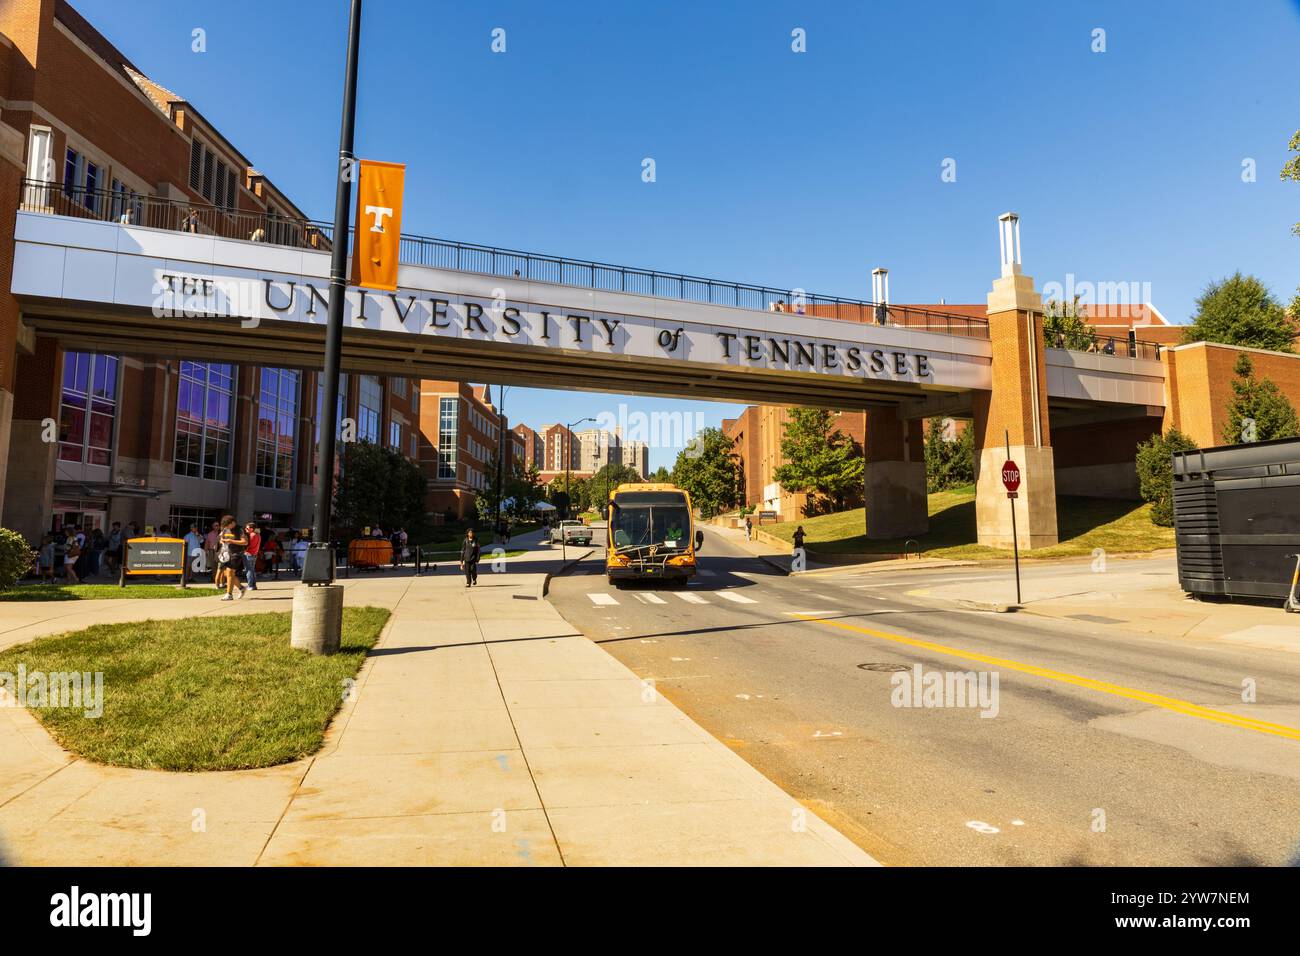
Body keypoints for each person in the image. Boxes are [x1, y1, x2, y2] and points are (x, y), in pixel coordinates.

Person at [215, 515, 248, 601]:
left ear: (233, 523)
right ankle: (241, 588)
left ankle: (229, 594)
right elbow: (221, 538)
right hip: (226, 554)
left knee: (229, 572)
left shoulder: (240, 529)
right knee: (227, 574)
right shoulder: (225, 529)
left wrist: (231, 541)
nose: (226, 527)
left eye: (227, 525)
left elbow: (245, 542)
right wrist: (222, 541)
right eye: (225, 526)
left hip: (236, 554)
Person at [243, 522, 262, 591]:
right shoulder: (258, 535)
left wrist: (244, 550)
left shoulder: (251, 535)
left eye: (247, 528)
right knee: (252, 570)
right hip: (254, 554)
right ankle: (253, 585)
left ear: (251, 529)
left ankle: (250, 585)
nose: (245, 529)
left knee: (249, 570)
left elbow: (247, 545)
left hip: (248, 554)